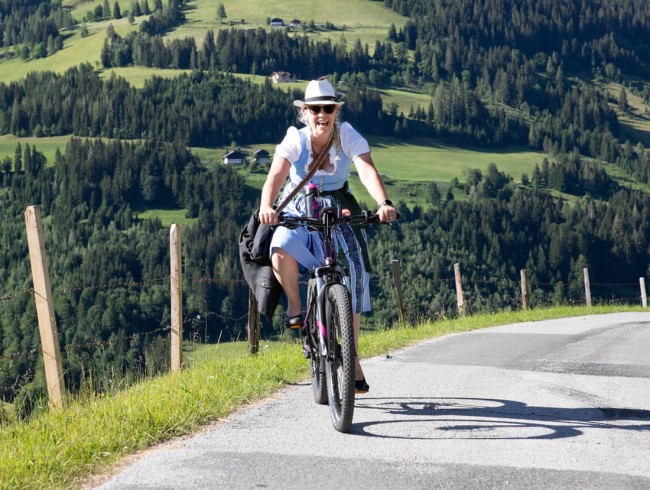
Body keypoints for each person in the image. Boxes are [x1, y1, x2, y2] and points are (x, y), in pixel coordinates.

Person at [259, 78, 397, 393]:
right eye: (316, 109)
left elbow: (365, 170)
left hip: (337, 207)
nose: (322, 114)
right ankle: (296, 306)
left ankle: (352, 358)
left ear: (336, 111)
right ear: (305, 112)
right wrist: (267, 206)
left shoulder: (346, 134)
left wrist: (383, 203)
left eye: (329, 108)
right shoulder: (296, 139)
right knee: (281, 246)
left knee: (356, 268)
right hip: (299, 206)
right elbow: (276, 176)